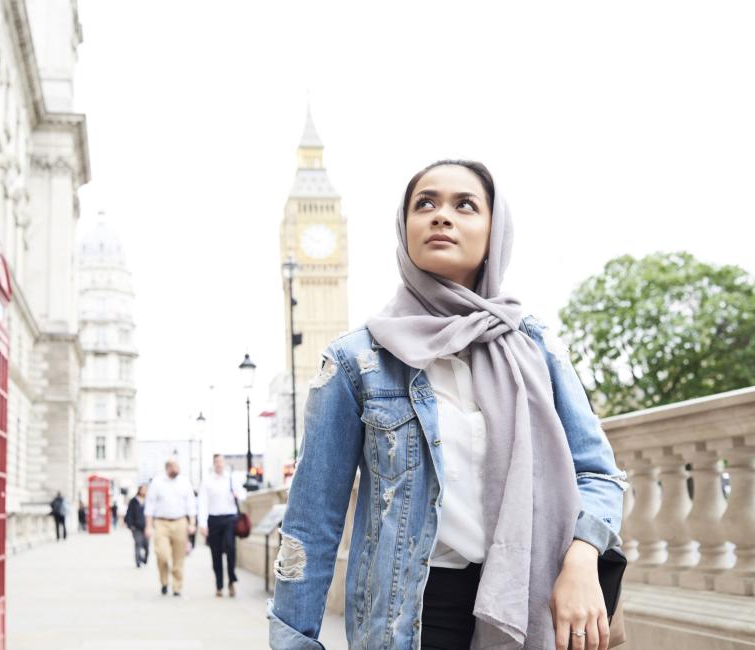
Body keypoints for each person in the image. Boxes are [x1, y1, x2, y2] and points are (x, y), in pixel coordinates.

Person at [268, 161, 628, 650]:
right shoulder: (357, 361)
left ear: (493, 231)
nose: (442, 216)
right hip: (411, 617)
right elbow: (313, 521)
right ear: (405, 227)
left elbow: (598, 474)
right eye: (425, 204)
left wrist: (584, 558)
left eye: (465, 205)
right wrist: (293, 641)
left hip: (533, 600)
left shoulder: (535, 347)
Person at [144, 458, 196, 596]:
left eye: (177, 467)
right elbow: (150, 505)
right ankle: (164, 582)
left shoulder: (184, 482)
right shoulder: (157, 482)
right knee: (162, 554)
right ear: (167, 468)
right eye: (173, 467)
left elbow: (191, 504)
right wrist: (148, 526)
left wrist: (192, 523)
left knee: (179, 557)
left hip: (180, 521)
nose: (176, 470)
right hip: (161, 522)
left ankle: (177, 586)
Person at [198, 454, 244, 597]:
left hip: (230, 518)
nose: (219, 464)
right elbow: (203, 503)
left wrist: (238, 494)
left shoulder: (231, 478)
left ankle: (231, 581)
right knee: (215, 553)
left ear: (224, 463)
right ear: (214, 464)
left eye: (221, 461)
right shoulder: (207, 481)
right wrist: (203, 524)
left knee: (231, 548)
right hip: (213, 520)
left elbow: (244, 494)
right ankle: (219, 584)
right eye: (216, 462)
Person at [124, 484, 149, 567]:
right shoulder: (133, 501)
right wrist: (130, 525)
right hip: (136, 527)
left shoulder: (149, 501)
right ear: (139, 490)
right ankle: (138, 561)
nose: (144, 491)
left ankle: (144, 559)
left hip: (146, 526)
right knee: (138, 543)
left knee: (146, 545)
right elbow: (129, 513)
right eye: (143, 489)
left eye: (145, 490)